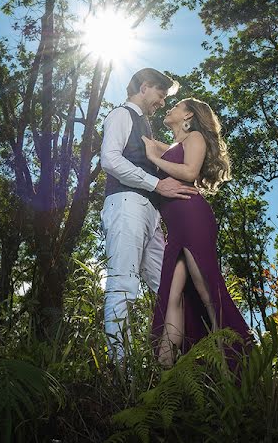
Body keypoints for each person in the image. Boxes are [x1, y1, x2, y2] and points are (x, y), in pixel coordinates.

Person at [141, 97, 252, 369]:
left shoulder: (196, 138)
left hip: (193, 219)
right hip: (176, 228)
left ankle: (235, 367)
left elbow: (189, 171)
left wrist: (154, 157)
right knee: (172, 297)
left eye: (176, 106)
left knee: (207, 294)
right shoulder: (175, 146)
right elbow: (147, 141)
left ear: (188, 114)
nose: (170, 108)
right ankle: (165, 371)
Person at [100, 68, 199, 364]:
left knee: (169, 287)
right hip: (126, 205)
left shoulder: (147, 127)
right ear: (145, 87)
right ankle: (122, 375)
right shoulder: (121, 115)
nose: (161, 102)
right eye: (160, 94)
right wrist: (156, 184)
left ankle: (182, 367)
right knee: (122, 285)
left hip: (150, 216)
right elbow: (110, 159)